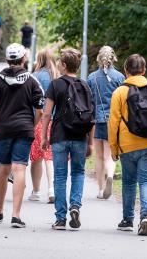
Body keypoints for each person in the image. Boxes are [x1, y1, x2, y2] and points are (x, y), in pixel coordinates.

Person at [108, 54, 147, 237]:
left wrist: (113, 148)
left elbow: (113, 123)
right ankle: (145, 216)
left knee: (128, 182)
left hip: (128, 145)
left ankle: (127, 219)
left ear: (126, 71)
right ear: (144, 70)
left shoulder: (120, 92)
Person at [0, 43, 43, 228]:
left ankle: (0, 210)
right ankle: (16, 215)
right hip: (24, 129)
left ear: (7, 60)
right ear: (24, 59)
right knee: (19, 169)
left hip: (4, 129)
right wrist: (32, 124)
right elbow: (40, 110)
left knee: (3, 170)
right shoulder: (32, 81)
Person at [41, 48, 94, 231]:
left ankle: (61, 218)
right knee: (78, 173)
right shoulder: (85, 85)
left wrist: (43, 137)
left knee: (60, 176)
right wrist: (91, 142)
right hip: (80, 135)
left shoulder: (55, 85)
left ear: (63, 65)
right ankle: (75, 206)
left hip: (60, 136)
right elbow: (91, 116)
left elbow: (46, 113)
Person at [87, 46, 125, 200]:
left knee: (99, 157)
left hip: (97, 120)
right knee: (110, 156)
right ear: (113, 57)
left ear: (98, 58)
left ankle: (101, 189)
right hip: (113, 121)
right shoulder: (120, 77)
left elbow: (89, 101)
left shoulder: (91, 77)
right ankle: (110, 175)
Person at [29, 49, 58, 203]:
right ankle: (52, 189)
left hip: (39, 120)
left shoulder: (35, 76)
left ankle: (36, 191)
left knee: (36, 158)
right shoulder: (58, 76)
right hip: (56, 122)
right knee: (50, 157)